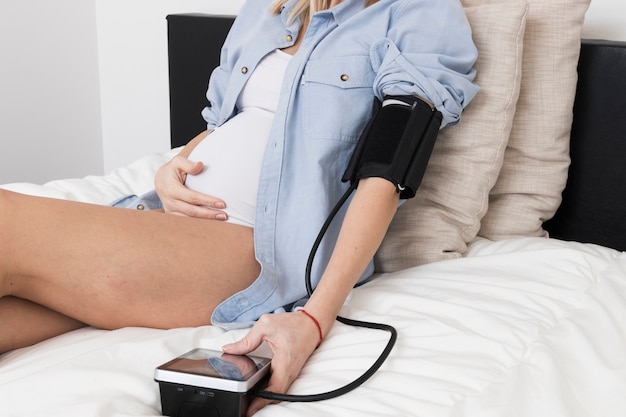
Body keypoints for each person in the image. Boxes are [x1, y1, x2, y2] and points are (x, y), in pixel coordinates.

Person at [0, 0, 478, 414]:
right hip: (165, 222)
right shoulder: (268, 10)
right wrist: (174, 167)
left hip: (253, 251)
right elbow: (226, 123)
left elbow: (388, 168)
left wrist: (314, 318)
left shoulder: (419, 12)